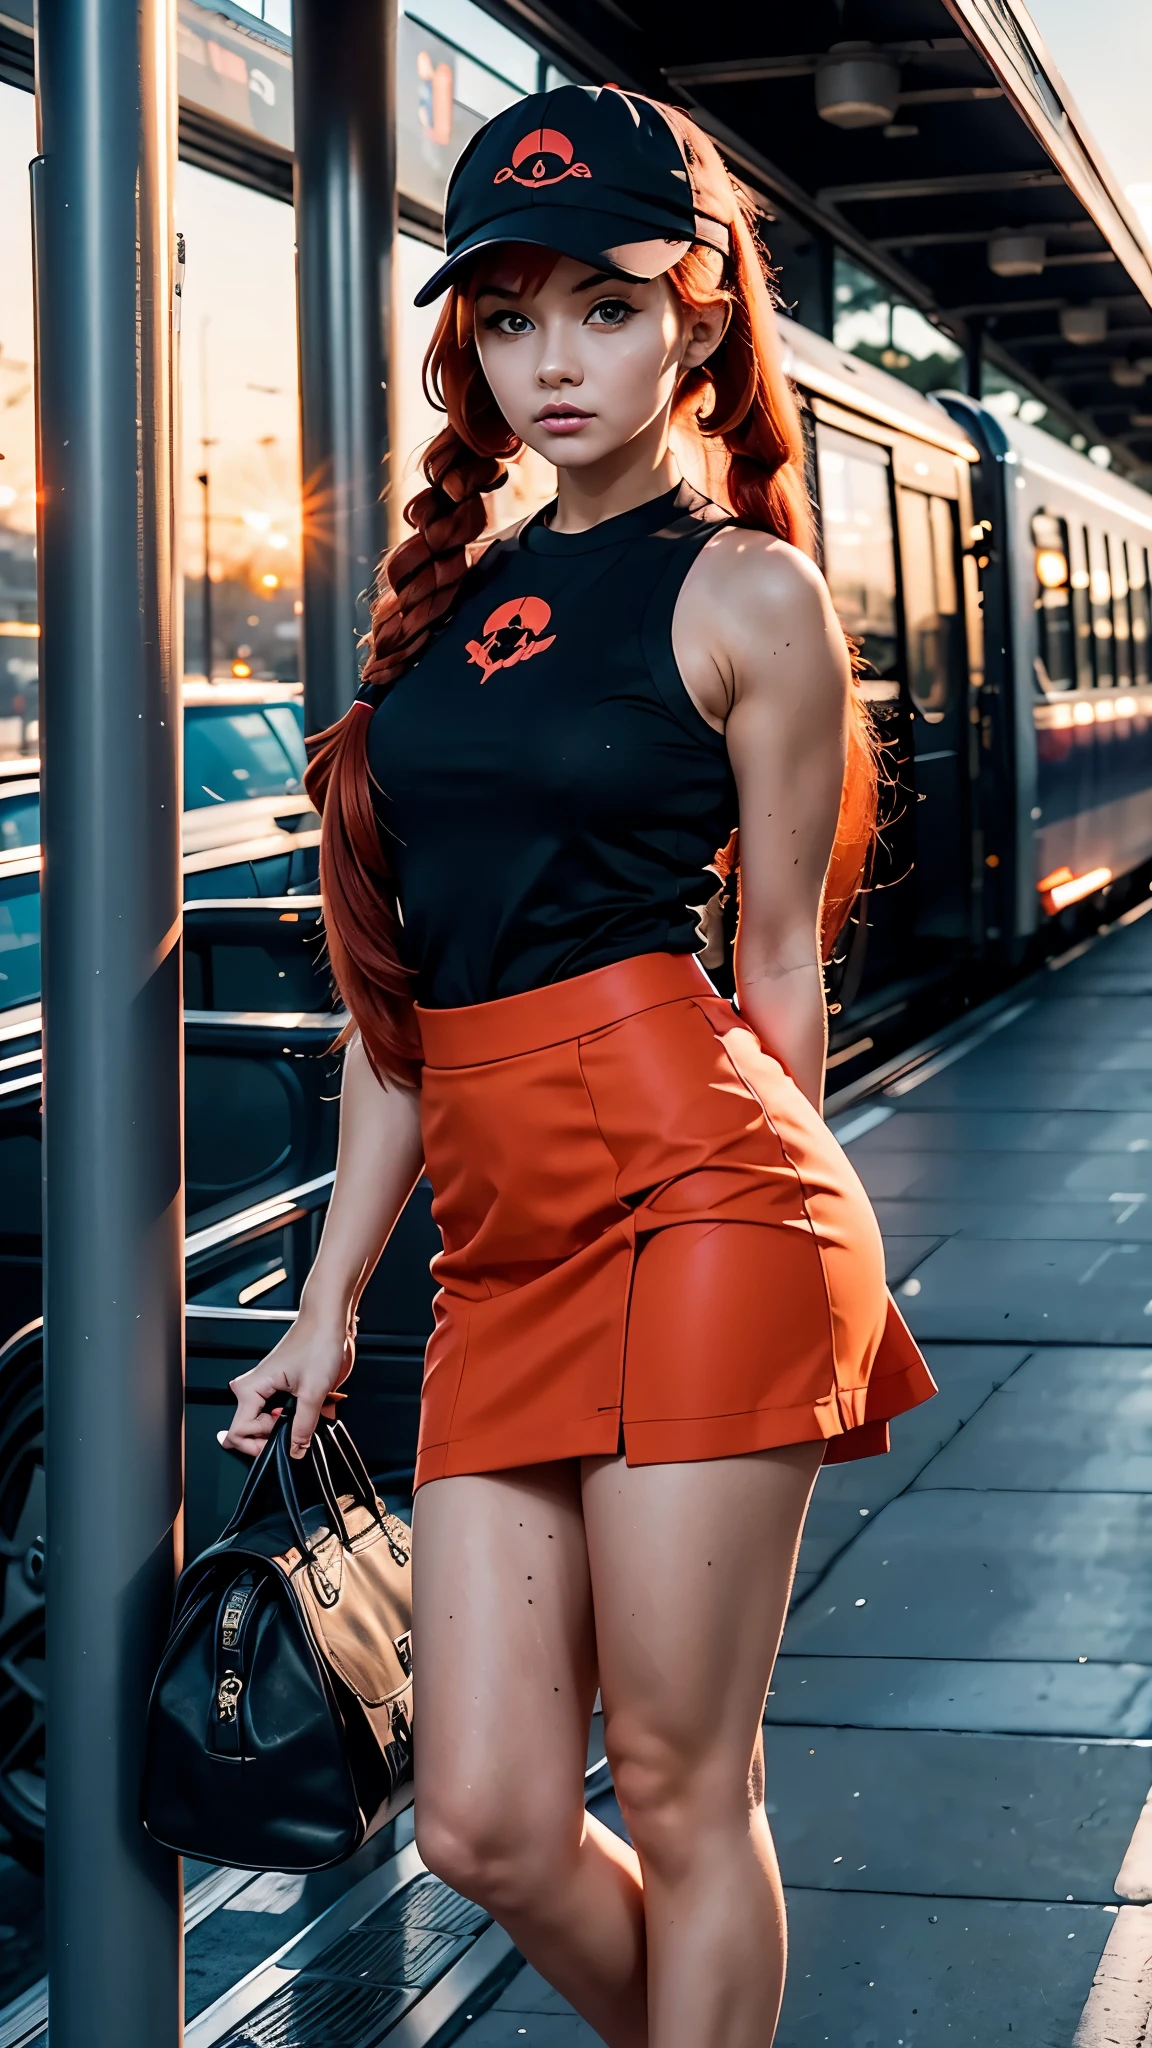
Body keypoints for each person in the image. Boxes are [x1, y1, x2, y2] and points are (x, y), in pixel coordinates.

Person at [223, 85, 936, 2048]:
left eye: (605, 307)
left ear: (697, 313)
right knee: (484, 1821)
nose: (555, 358)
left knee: (691, 1789)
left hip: (709, 1200)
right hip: (502, 1246)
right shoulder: (440, 610)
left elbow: (776, 971)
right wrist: (326, 1298)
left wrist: (814, 1278)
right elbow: (404, 1006)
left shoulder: (749, 595)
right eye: (515, 314)